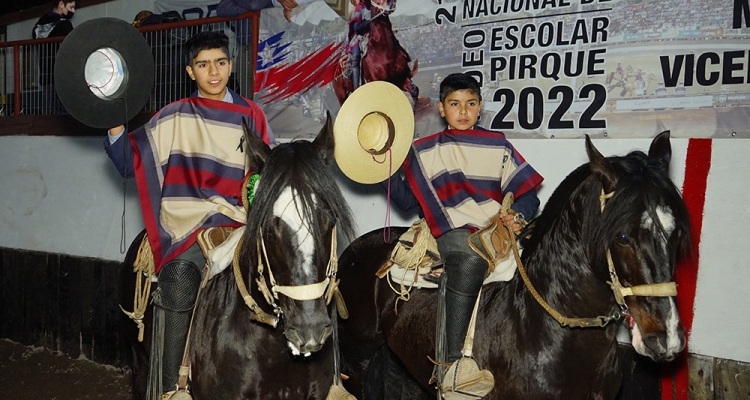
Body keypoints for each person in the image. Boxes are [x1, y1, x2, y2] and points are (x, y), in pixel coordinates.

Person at [104, 31, 275, 400]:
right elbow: (129, 164)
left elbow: (268, 172)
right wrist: (113, 121)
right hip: (190, 222)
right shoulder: (175, 115)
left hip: (243, 221)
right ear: (190, 71)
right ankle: (170, 387)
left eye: (221, 62)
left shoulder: (253, 115)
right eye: (203, 64)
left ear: (231, 66)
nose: (213, 72)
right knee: (180, 278)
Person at [382, 72, 543, 399]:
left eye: (470, 104)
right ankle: (451, 370)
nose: (464, 111)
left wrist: (518, 214)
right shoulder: (424, 150)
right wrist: (384, 167)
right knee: (468, 258)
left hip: (494, 230)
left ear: (480, 107)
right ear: (442, 109)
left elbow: (527, 194)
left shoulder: (498, 144)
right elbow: (408, 202)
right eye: (455, 104)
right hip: (453, 231)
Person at [32, 0, 76, 114]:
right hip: (62, 76)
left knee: (48, 114)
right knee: (66, 115)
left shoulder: (37, 27)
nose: (73, 11)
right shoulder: (64, 25)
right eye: (71, 7)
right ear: (61, 4)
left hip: (45, 76)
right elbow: (74, 48)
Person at [345, 0, 371, 91]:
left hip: (372, 35)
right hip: (359, 37)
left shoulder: (373, 7)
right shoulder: (359, 8)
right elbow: (357, 27)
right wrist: (369, 22)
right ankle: (357, 89)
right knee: (356, 59)